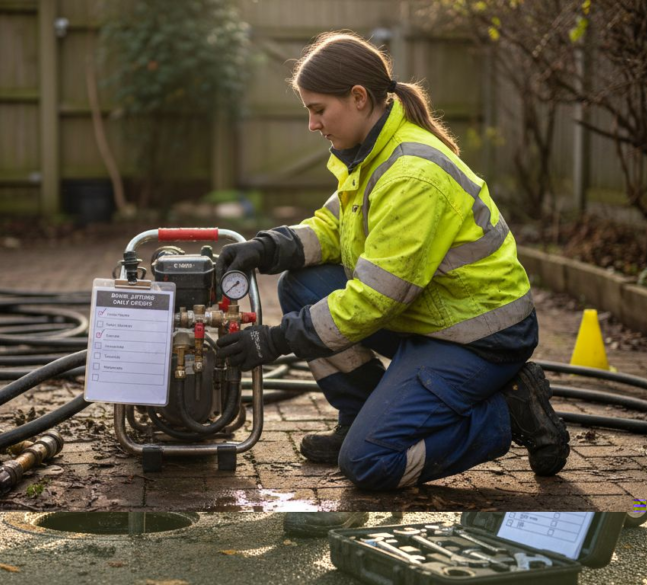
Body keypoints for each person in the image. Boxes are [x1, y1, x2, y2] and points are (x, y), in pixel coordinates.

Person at [216, 31, 569, 495]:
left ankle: (509, 409)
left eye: (318, 109)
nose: (311, 124)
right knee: (299, 285)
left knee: (369, 463)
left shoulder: (412, 174)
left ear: (358, 98)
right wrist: (267, 248)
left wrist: (277, 339)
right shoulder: (368, 152)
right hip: (430, 316)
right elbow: (333, 228)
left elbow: (374, 299)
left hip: (478, 334)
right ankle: (359, 416)